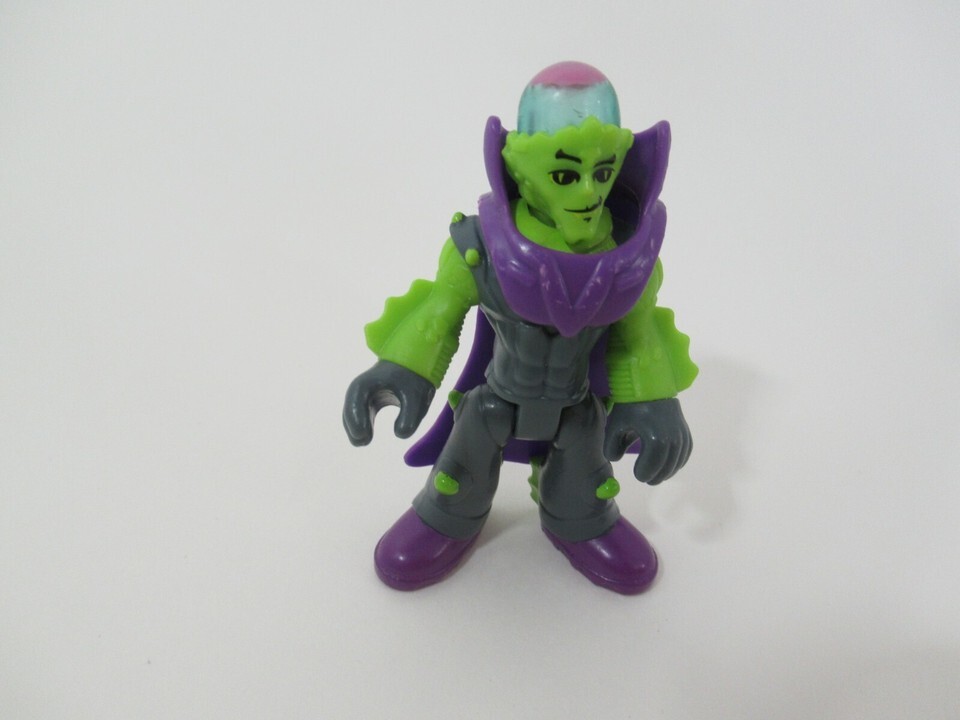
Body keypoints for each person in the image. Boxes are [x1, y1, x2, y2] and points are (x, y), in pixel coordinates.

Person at [343, 61, 697, 594]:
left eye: (602, 173)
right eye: (565, 175)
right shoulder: (480, 247)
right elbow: (439, 313)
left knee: (583, 462)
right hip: (497, 400)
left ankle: (580, 520)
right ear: (522, 170)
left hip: (577, 406)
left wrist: (652, 403)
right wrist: (402, 369)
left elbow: (637, 338)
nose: (588, 192)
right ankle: (447, 516)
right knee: (464, 462)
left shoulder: (630, 260)